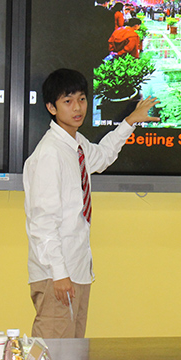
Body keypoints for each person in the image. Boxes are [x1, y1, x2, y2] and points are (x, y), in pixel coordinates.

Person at [24, 68, 159, 338]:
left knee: (72, 352)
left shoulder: (76, 144)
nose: (77, 108)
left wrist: (130, 121)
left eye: (82, 99)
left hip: (76, 270)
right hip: (57, 275)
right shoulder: (49, 154)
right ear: (51, 107)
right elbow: (42, 222)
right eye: (68, 101)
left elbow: (103, 156)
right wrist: (59, 274)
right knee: (53, 352)